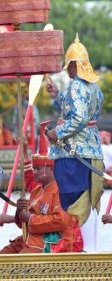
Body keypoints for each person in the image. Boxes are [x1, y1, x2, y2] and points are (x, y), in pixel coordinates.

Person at [44, 34, 104, 252]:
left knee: (73, 198)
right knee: (89, 198)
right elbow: (79, 109)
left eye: (68, 65)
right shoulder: (94, 86)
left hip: (73, 152)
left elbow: (77, 118)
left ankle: (79, 248)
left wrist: (56, 132)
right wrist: (57, 95)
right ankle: (91, 247)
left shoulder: (77, 85)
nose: (67, 70)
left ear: (74, 65)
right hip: (92, 149)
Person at [0, 131, 82, 254]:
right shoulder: (37, 190)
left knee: (18, 262)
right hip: (31, 239)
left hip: (54, 242)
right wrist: (20, 211)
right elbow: (24, 223)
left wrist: (30, 218)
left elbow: (61, 221)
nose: (35, 172)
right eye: (34, 169)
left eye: (38, 169)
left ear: (51, 169)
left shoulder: (62, 191)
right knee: (0, 258)